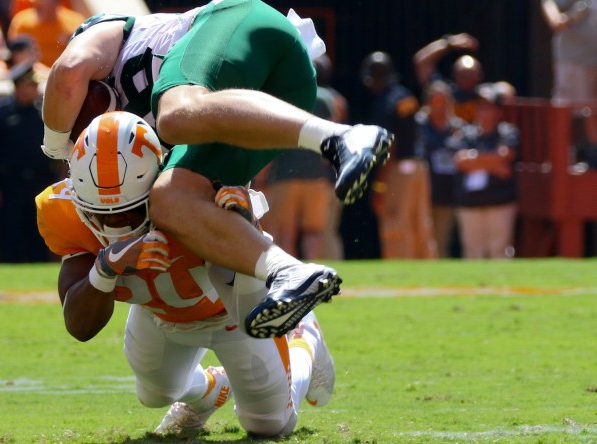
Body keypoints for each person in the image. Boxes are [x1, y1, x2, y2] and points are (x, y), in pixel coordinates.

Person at [41, 1, 393, 338]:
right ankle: (287, 272)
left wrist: (59, 148)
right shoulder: (148, 148)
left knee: (175, 115)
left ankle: (343, 137)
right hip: (277, 95)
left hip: (244, 26)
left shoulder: (111, 35)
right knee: (170, 199)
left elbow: (68, 73)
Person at [36, 111, 336, 437]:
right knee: (154, 394)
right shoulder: (64, 213)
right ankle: (210, 391)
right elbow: (79, 326)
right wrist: (106, 267)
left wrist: (239, 221)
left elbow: (247, 282)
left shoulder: (194, 196)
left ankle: (304, 337)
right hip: (160, 316)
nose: (116, 227)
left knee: (269, 424)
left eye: (130, 211)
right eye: (101, 214)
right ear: (80, 201)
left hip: (233, 315)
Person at [260, 54, 340, 260]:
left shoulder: (284, 94)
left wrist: (261, 175)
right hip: (316, 177)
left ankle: (291, 277)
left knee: (286, 232)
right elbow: (332, 139)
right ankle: (312, 270)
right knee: (313, 231)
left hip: (285, 176)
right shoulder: (326, 99)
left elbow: (272, 137)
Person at [0, 63, 57, 262]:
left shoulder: (43, 111)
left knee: (39, 238)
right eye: (30, 84)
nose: (35, 89)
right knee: (9, 237)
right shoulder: (0, 112)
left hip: (40, 183)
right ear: (18, 86)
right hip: (10, 184)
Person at [361, 51, 437, 259]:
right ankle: (428, 273)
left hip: (399, 169)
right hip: (419, 167)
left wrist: (379, 186)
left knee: (396, 223)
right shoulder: (405, 96)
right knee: (420, 222)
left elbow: (389, 147)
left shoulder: (385, 102)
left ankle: (401, 274)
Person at [453, 83, 519, 259]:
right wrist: (493, 162)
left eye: (488, 107)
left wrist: (474, 161)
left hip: (500, 201)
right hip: (470, 203)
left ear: (498, 111)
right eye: (480, 107)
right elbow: (460, 161)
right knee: (473, 253)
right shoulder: (466, 134)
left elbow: (506, 158)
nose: (483, 112)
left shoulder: (507, 132)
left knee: (499, 252)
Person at [416, 80, 468, 258]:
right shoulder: (419, 126)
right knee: (420, 240)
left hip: (448, 195)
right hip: (423, 194)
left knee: (440, 242)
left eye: (444, 103)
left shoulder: (460, 129)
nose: (440, 108)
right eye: (436, 103)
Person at [541, 0, 597, 161]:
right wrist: (574, 15)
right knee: (564, 109)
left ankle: (595, 155)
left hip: (594, 60)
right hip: (572, 61)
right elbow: (556, 22)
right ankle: (561, 157)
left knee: (593, 110)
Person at [413, 33, 484, 123]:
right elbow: (421, 61)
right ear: (454, 75)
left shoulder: (486, 98)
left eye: (471, 75)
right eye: (462, 75)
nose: (466, 79)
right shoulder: (446, 93)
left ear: (480, 76)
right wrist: (449, 43)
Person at [7, 0, 85, 67]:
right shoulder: (22, 22)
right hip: (33, 75)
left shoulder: (74, 22)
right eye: (36, 3)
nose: (37, 7)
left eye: (41, 4)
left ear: (56, 3)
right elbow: (16, 55)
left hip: (65, 72)